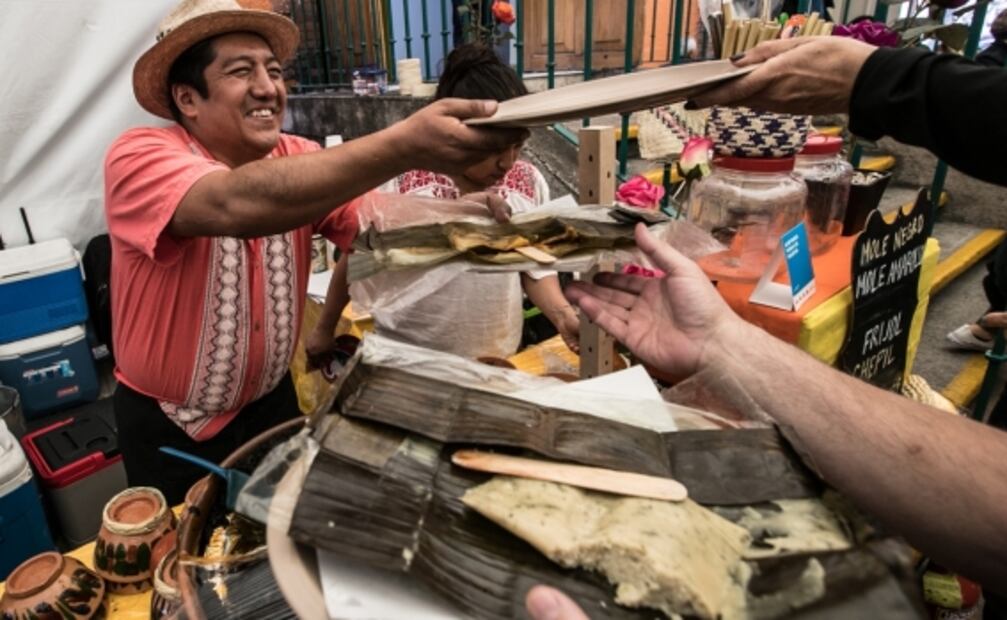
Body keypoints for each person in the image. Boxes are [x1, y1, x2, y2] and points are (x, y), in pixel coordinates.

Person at [104, 0, 524, 504]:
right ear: (188, 98)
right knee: (179, 560)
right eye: (242, 72)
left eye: (275, 71)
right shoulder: (138, 156)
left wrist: (461, 215)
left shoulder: (301, 158)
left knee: (276, 543)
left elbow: (375, 227)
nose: (268, 87)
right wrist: (405, 144)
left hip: (270, 404)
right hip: (168, 422)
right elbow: (234, 202)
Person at [305, 44, 579, 365]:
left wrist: (562, 316)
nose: (507, 162)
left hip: (494, 360)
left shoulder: (527, 183)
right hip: (405, 359)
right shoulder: (403, 180)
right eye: (494, 147)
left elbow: (534, 268)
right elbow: (357, 260)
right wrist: (324, 328)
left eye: (517, 146)